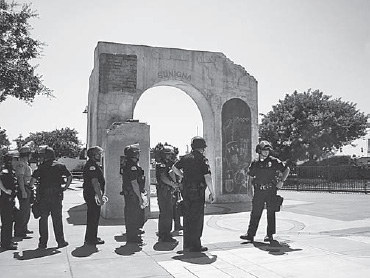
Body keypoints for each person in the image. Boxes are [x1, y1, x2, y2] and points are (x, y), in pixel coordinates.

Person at [240, 140, 290, 242]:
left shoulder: (274, 161)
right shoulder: (255, 163)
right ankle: (250, 234)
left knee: (271, 212)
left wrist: (282, 181)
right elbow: (250, 177)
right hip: (258, 191)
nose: (266, 152)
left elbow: (286, 169)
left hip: (271, 190)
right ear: (259, 150)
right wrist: (249, 190)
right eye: (264, 150)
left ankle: (269, 234)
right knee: (255, 212)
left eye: (268, 150)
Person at [172, 136, 215, 252]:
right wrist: (212, 192)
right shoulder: (202, 159)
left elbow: (174, 168)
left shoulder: (185, 158)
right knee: (197, 219)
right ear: (202, 148)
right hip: (197, 193)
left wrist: (183, 176)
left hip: (186, 192)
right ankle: (196, 245)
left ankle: (187, 245)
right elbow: (208, 177)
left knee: (187, 218)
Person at [29, 147, 72, 249]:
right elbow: (69, 177)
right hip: (56, 196)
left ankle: (42, 243)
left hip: (44, 197)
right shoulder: (60, 166)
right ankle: (60, 241)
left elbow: (32, 182)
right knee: (57, 219)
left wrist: (33, 190)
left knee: (43, 219)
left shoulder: (41, 167)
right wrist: (65, 187)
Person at [120, 143, 146, 245]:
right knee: (133, 217)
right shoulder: (132, 166)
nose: (139, 155)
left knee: (135, 216)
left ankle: (134, 235)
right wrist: (140, 198)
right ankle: (133, 238)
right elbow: (134, 183)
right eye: (137, 153)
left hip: (132, 195)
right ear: (134, 154)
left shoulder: (131, 164)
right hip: (133, 195)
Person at [154, 143, 180, 243]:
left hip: (168, 191)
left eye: (170, 154)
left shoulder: (169, 164)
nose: (170, 156)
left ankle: (164, 233)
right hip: (164, 191)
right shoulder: (161, 164)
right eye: (168, 154)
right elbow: (163, 177)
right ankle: (165, 235)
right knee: (166, 213)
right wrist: (173, 184)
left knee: (168, 213)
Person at [83, 146, 106, 245]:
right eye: (98, 154)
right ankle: (92, 239)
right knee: (93, 216)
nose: (100, 155)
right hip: (92, 194)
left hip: (91, 194)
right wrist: (100, 197)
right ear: (93, 155)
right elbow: (95, 182)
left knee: (93, 216)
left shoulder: (93, 165)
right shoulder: (91, 166)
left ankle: (91, 237)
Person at [14, 146, 33, 237]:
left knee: (26, 211)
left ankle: (24, 228)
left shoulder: (25, 163)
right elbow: (20, 178)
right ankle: (19, 231)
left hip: (27, 188)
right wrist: (23, 191)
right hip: (24, 188)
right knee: (23, 211)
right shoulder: (21, 164)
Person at [0, 154, 18, 250]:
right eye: (13, 159)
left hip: (9, 200)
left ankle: (7, 241)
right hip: (6, 200)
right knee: (7, 222)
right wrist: (5, 190)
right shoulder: (5, 171)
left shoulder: (9, 171)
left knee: (9, 221)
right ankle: (6, 243)